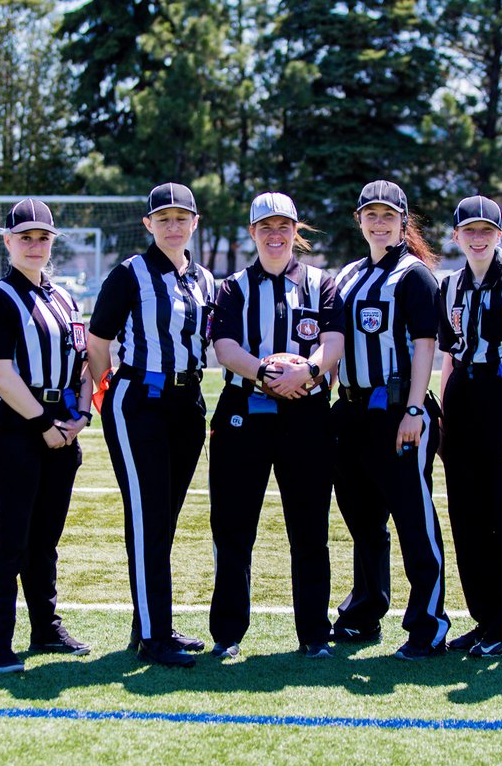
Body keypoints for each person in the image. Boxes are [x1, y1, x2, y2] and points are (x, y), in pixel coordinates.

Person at [207, 192, 345, 660]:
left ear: (295, 230)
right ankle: (227, 632)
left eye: (283, 226)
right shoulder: (232, 288)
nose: (275, 234)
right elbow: (224, 348)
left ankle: (313, 633)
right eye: (265, 226)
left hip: (306, 413)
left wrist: (305, 373)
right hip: (244, 410)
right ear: (252, 232)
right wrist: (266, 374)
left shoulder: (321, 283)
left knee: (309, 527)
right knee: (232, 526)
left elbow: (333, 343)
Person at [86, 182, 217, 668]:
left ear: (195, 223)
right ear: (148, 224)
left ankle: (149, 623)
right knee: (148, 519)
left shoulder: (202, 279)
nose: (173, 226)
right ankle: (154, 634)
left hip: (188, 404)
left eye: (182, 218)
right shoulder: (129, 275)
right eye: (163, 219)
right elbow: (98, 343)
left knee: (164, 517)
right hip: (140, 400)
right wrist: (110, 392)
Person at [0, 199, 94, 674]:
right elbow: (0, 373)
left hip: (63, 425)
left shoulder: (65, 297)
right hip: (16, 427)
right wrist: (43, 424)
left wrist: (80, 416)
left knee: (45, 537)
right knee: (8, 537)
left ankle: (45, 627)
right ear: (8, 242)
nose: (35, 245)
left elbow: (84, 365)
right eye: (25, 237)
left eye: (43, 237)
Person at [330, 180, 451, 661]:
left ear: (404, 220)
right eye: (370, 215)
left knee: (413, 520)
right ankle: (364, 611)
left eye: (388, 216)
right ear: (359, 220)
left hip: (399, 409)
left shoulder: (414, 275)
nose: (379, 223)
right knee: (363, 522)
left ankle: (429, 622)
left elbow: (426, 346)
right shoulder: (348, 275)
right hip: (352, 411)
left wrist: (416, 408)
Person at [437, 195, 502, 658]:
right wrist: (442, 413)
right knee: (467, 515)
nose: (477, 239)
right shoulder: (450, 286)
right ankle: (481, 619)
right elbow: (449, 354)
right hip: (463, 398)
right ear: (456, 235)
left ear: (500, 236)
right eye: (469, 231)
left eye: (486, 231)